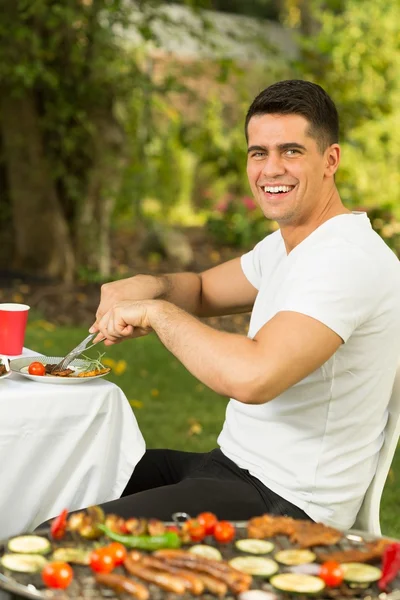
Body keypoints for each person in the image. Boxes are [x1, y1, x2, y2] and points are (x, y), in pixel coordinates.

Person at [90, 80, 400, 530]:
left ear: (330, 159)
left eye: (291, 151)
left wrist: (156, 312)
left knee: (51, 545)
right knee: (74, 474)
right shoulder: (290, 245)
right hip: (233, 467)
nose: (271, 168)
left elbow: (254, 377)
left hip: (288, 503)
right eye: (259, 153)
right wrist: (149, 284)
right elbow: (199, 289)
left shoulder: (345, 260)